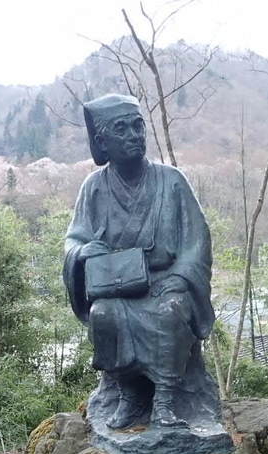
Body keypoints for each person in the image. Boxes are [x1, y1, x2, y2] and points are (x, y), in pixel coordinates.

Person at [63, 93, 220, 430]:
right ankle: (128, 393)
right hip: (119, 287)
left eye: (138, 127)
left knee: (170, 310)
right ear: (103, 142)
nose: (134, 135)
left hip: (166, 284)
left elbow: (197, 239)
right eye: (121, 129)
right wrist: (81, 253)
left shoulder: (172, 181)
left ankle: (165, 399)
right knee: (102, 314)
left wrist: (181, 276)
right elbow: (75, 239)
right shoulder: (94, 188)